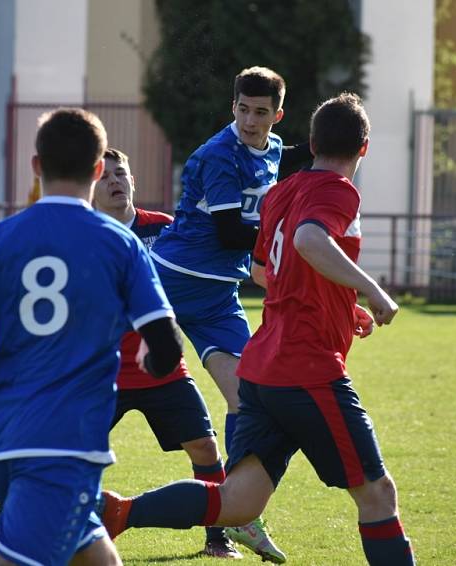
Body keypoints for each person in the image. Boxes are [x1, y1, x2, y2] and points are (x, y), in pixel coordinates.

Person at [100, 93, 416, 566]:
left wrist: (344, 304)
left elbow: (268, 270)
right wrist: (374, 290)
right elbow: (309, 240)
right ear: (364, 148)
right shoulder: (338, 190)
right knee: (377, 494)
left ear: (309, 143)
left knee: (238, 501)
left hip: (264, 369)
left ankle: (116, 512)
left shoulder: (282, 194)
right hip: (307, 368)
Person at [0, 108, 185, 566]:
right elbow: (167, 343)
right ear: (99, 168)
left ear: (36, 166)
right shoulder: (119, 243)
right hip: (62, 445)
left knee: (99, 559)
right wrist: (154, 363)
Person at [93, 147, 285, 561]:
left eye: (121, 173)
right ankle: (18, 515)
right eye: (104, 176)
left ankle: (220, 535)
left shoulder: (168, 232)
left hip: (163, 371)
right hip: (102, 373)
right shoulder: (85, 237)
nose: (114, 181)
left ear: (133, 181)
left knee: (205, 447)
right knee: (64, 448)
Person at [148, 66, 308, 556]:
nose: (250, 121)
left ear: (277, 116)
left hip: (218, 300)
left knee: (250, 401)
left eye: (261, 112)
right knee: (100, 396)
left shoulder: (274, 150)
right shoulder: (219, 154)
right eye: (243, 109)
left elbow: (275, 195)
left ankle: (241, 515)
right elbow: (229, 232)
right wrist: (293, 242)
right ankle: (27, 493)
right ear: (232, 106)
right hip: (170, 288)